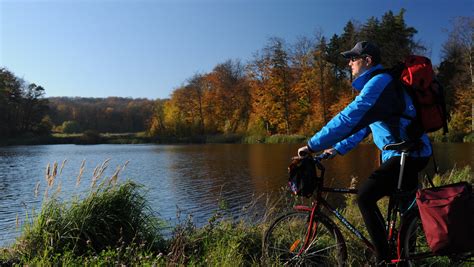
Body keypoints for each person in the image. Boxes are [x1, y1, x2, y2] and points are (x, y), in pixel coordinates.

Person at [297, 41, 431, 265]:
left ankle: (383, 259)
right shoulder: (382, 83)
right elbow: (366, 127)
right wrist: (335, 149)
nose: (349, 63)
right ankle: (407, 256)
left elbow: (350, 118)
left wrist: (312, 144)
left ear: (367, 60)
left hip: (407, 155)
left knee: (365, 196)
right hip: (409, 153)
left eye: (353, 58)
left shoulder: (379, 82)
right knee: (403, 211)